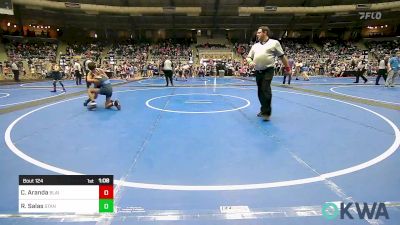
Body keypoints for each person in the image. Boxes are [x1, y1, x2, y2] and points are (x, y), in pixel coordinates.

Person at [246, 26, 291, 121]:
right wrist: (250, 62)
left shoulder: (274, 43)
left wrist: (287, 68)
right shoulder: (255, 45)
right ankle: (263, 109)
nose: (257, 34)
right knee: (260, 92)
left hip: (268, 70)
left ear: (265, 32)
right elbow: (249, 57)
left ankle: (266, 113)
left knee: (265, 89)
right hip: (258, 71)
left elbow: (282, 56)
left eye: (259, 32)